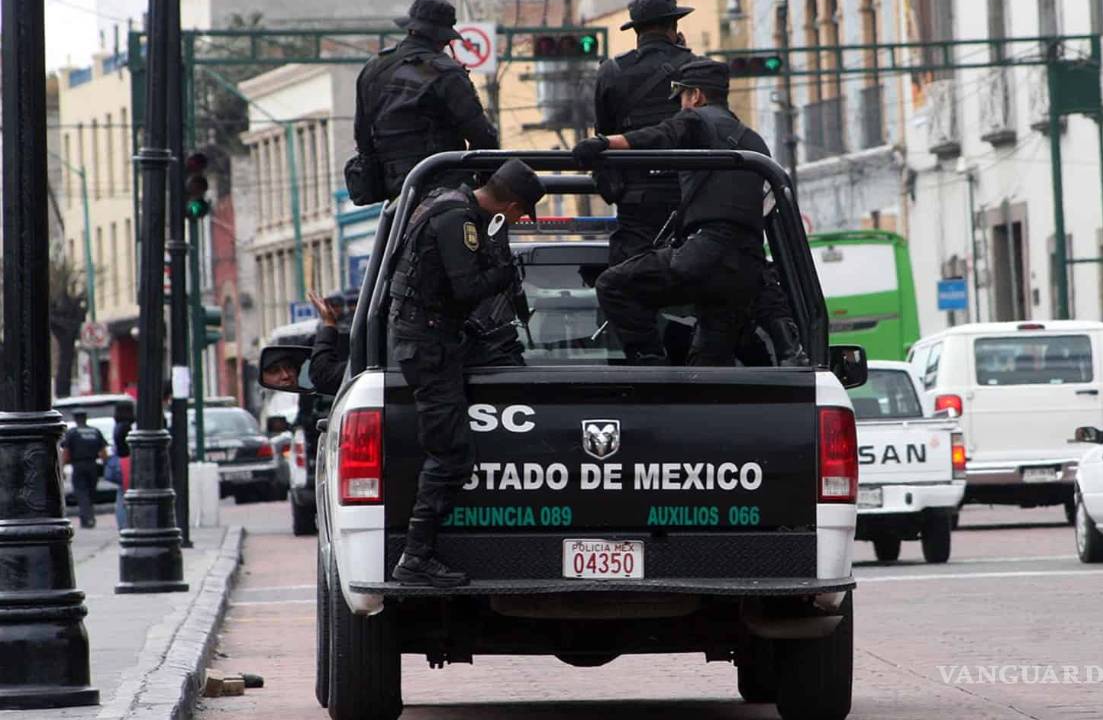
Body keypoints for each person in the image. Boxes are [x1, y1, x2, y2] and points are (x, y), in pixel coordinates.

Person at [388, 158, 545, 587]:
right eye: (520, 215)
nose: (517, 221)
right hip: (430, 348)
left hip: (434, 340)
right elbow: (466, 288)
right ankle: (415, 557)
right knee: (450, 454)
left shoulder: (446, 202)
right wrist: (504, 273)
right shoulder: (459, 219)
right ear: (511, 207)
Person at [573, 59, 768, 366]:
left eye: (682, 98)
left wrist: (604, 142)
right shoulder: (754, 142)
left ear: (696, 96)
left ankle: (650, 367)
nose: (680, 106)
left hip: (703, 255)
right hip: (744, 271)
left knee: (613, 285)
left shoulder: (695, 119)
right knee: (707, 366)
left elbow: (660, 135)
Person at [352, 0, 499, 204]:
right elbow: (482, 136)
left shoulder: (373, 67)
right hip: (444, 185)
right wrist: (488, 182)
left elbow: (362, 135)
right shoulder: (447, 72)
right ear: (445, 38)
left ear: (410, 28)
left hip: (395, 189)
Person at [593, 0, 699, 267]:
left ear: (636, 30)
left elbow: (603, 136)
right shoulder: (695, 68)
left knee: (633, 274)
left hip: (636, 199)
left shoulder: (611, 72)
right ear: (673, 25)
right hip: (689, 195)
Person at [60, 411, 109, 529]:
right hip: (93, 465)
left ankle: (87, 518)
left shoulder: (72, 433)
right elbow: (103, 452)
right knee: (91, 492)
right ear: (86, 418)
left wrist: (62, 468)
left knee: (81, 493)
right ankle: (88, 516)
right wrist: (106, 465)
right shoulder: (95, 431)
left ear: (76, 419)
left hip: (78, 466)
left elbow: (66, 453)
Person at [308, 289, 351, 395]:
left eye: (338, 305)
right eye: (332, 305)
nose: (335, 309)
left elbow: (323, 376)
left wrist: (329, 324)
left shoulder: (354, 326)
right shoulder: (320, 329)